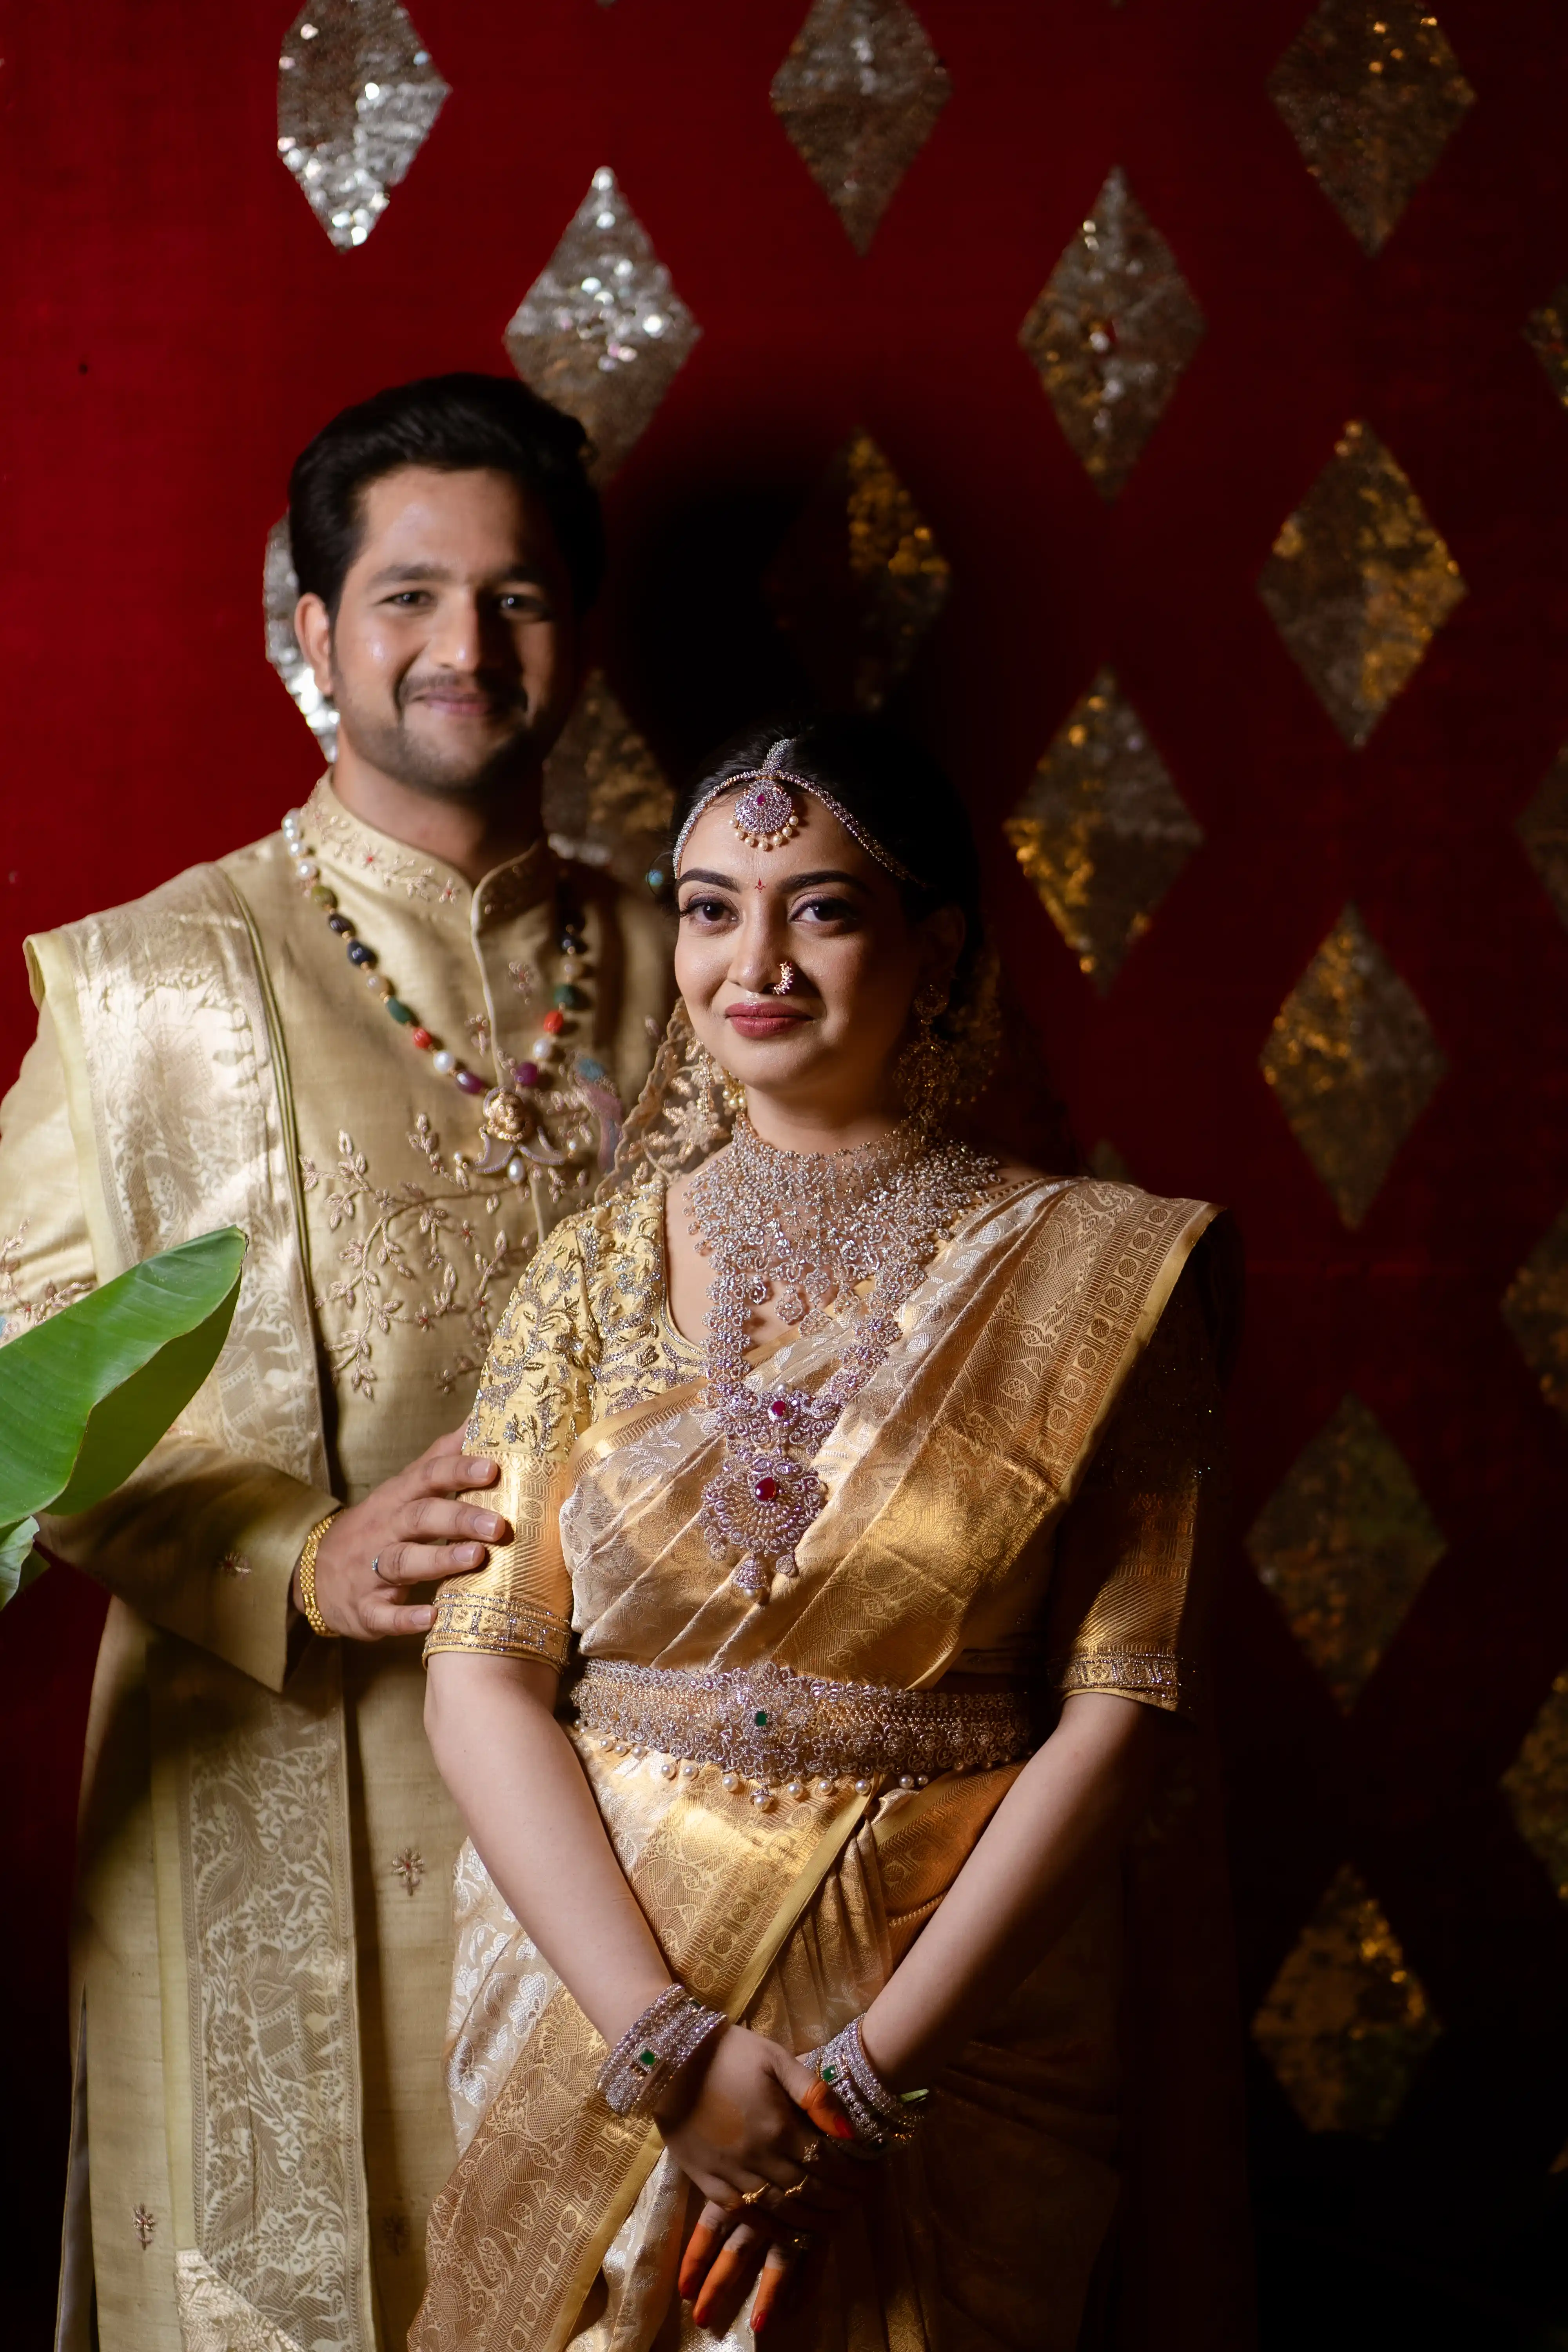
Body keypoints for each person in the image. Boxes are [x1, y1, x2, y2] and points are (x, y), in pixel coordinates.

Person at [411, 716, 1249, 2352]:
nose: (755, 961)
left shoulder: (1096, 1277)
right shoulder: (585, 1273)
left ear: (935, 947)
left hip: (948, 2012)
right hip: (597, 1990)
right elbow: (485, 1678)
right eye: (712, 907)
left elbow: (1124, 1710)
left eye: (824, 907)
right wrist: (667, 2048)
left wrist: (863, 2090)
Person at [0, 374, 673, 2351]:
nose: (464, 648)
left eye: (521, 598)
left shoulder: (709, 967)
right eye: (405, 596)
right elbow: (13, 1377)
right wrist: (294, 1556)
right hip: (272, 1772)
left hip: (647, 1797)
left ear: (583, 635)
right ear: (311, 632)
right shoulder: (145, 985)